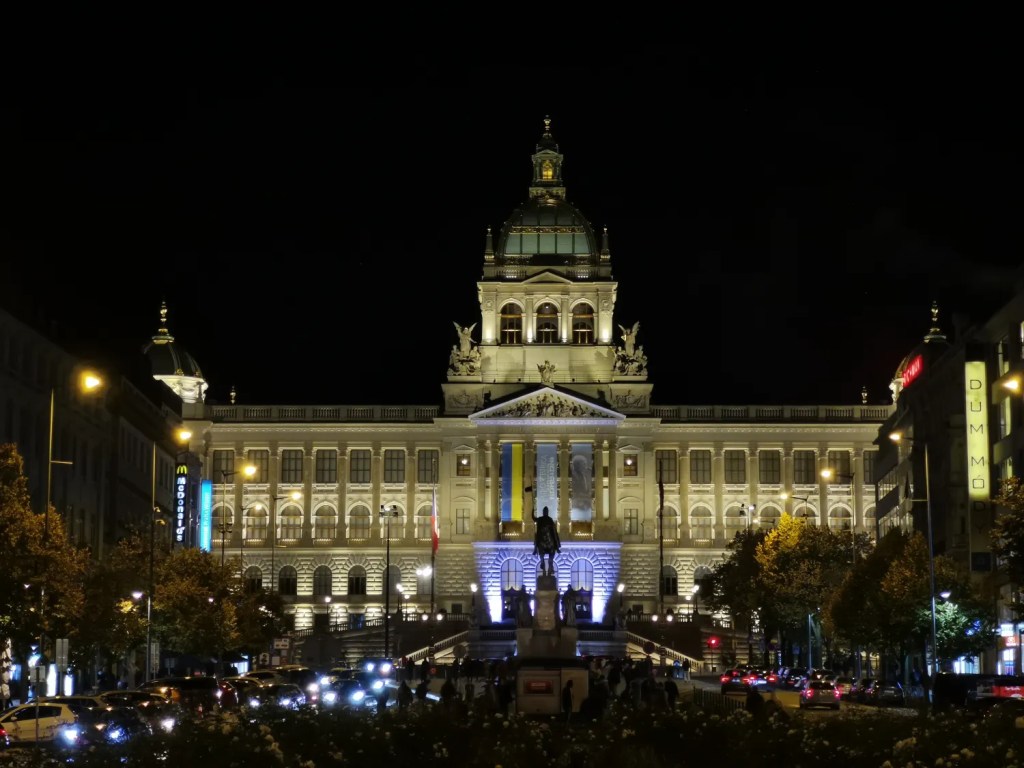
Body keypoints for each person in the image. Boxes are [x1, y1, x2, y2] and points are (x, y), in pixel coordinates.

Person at [532, 505, 561, 575]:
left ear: (547, 512)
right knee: (537, 537)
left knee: (554, 533)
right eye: (544, 511)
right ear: (543, 512)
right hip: (541, 534)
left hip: (549, 533)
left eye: (546, 511)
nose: (545, 512)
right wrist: (532, 511)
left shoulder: (550, 519)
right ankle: (536, 549)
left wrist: (551, 527)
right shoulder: (540, 519)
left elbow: (553, 527)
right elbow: (534, 518)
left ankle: (557, 546)